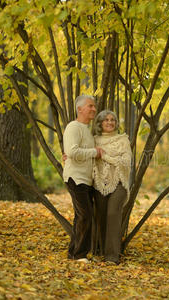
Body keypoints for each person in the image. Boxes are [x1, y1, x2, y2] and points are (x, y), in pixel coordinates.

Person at [63, 95, 103, 261]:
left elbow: (74, 153)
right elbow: (72, 152)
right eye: (90, 106)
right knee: (85, 215)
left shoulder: (86, 130)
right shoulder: (74, 127)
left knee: (82, 216)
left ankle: (74, 253)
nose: (93, 109)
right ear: (80, 109)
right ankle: (79, 255)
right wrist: (95, 152)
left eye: (94, 106)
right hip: (75, 178)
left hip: (86, 180)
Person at [92, 110, 132, 264]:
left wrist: (105, 156)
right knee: (101, 216)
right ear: (100, 123)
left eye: (112, 120)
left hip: (119, 182)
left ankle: (112, 256)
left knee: (113, 214)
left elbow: (126, 162)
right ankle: (102, 252)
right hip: (99, 182)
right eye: (106, 120)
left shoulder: (123, 140)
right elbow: (87, 156)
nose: (110, 122)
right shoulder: (94, 140)